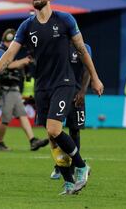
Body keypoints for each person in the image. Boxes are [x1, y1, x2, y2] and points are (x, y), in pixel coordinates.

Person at [0, 0, 104, 195]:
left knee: (54, 129)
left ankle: (81, 165)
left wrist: (95, 78)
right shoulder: (27, 25)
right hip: (42, 86)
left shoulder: (65, 19)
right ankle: (69, 182)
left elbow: (82, 50)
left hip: (64, 82)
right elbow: (11, 53)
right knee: (52, 137)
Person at [0, 28, 49, 151]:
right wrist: (22, 62)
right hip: (4, 88)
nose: (10, 45)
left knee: (22, 114)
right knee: (6, 117)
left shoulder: (8, 52)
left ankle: (32, 140)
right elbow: (4, 65)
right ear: (5, 41)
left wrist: (23, 64)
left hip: (14, 88)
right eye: (9, 43)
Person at [50, 43, 92, 180]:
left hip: (76, 94)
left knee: (75, 130)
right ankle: (60, 165)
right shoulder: (56, 46)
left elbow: (87, 69)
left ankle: (75, 166)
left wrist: (83, 91)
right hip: (58, 93)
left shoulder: (84, 47)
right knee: (55, 131)